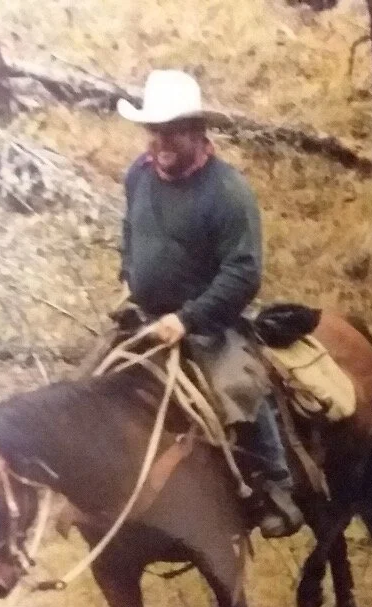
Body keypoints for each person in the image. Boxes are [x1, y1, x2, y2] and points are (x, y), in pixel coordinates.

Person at [115, 69, 303, 538]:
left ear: (197, 132)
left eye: (171, 130)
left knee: (238, 386)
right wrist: (127, 278)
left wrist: (188, 318)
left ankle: (276, 484)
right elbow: (130, 234)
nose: (159, 140)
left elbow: (243, 273)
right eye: (153, 129)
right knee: (94, 379)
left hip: (209, 323)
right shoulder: (138, 174)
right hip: (145, 316)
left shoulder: (227, 192)